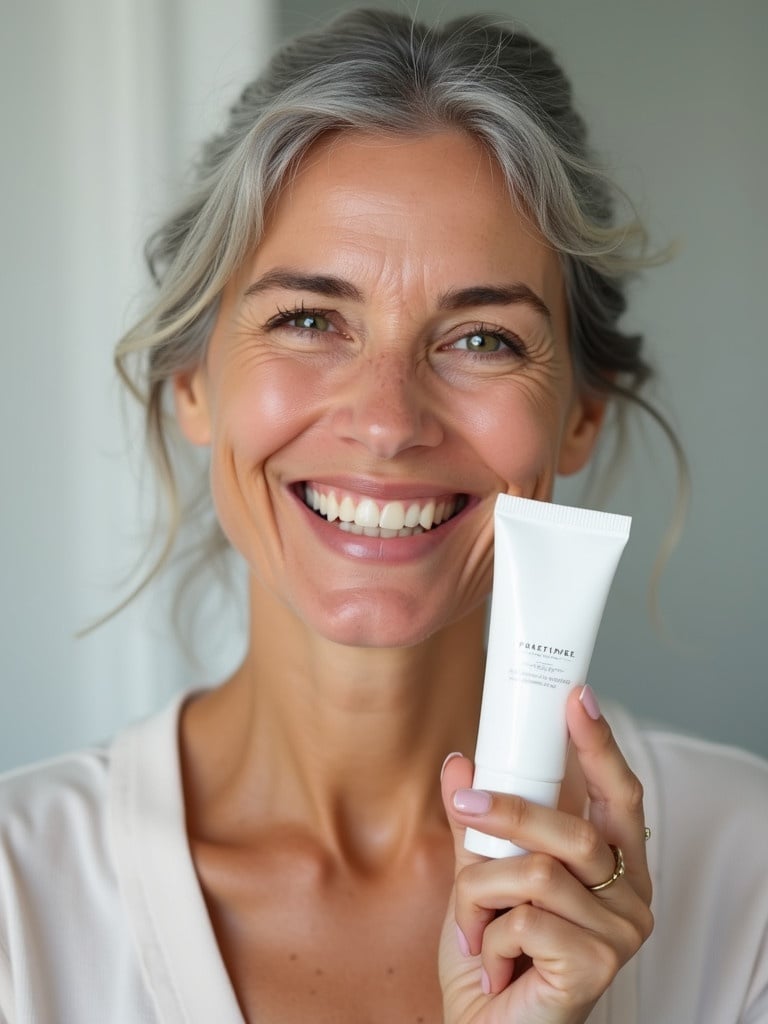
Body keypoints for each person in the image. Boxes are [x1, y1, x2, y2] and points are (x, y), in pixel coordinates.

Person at [1, 8, 767, 1023]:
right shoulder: (21, 903)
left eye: (484, 337)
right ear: (194, 384)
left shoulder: (749, 875)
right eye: (310, 320)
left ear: (579, 412)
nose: (387, 422)